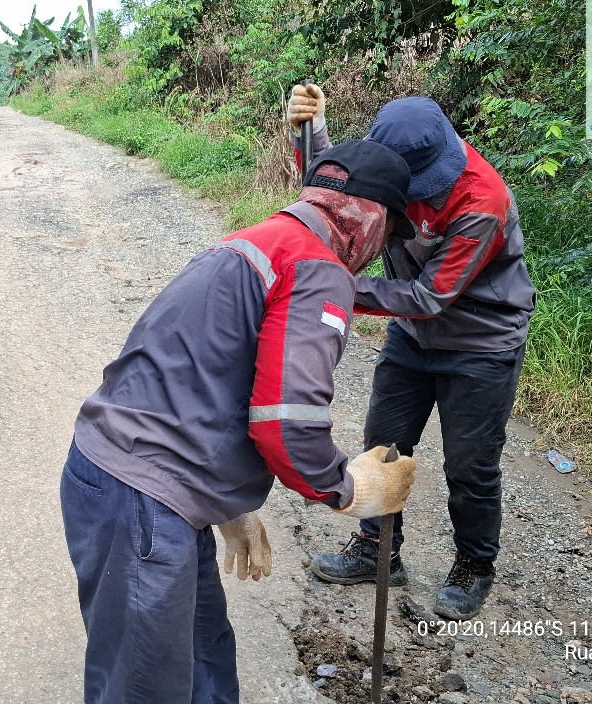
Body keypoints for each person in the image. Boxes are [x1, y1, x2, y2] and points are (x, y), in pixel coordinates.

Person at [62, 139, 419, 703]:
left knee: (205, 660)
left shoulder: (251, 243)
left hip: (136, 486)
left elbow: (200, 372)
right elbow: (287, 419)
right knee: (144, 689)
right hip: (143, 499)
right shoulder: (317, 268)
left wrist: (230, 506)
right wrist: (350, 489)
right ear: (371, 218)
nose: (379, 251)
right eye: (389, 232)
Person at [287, 85, 537, 620]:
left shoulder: (482, 202)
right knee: (384, 446)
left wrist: (332, 284)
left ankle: (474, 565)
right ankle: (379, 549)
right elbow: (338, 195)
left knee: (470, 466)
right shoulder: (392, 171)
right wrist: (310, 129)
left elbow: (429, 295)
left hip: (480, 344)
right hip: (411, 336)